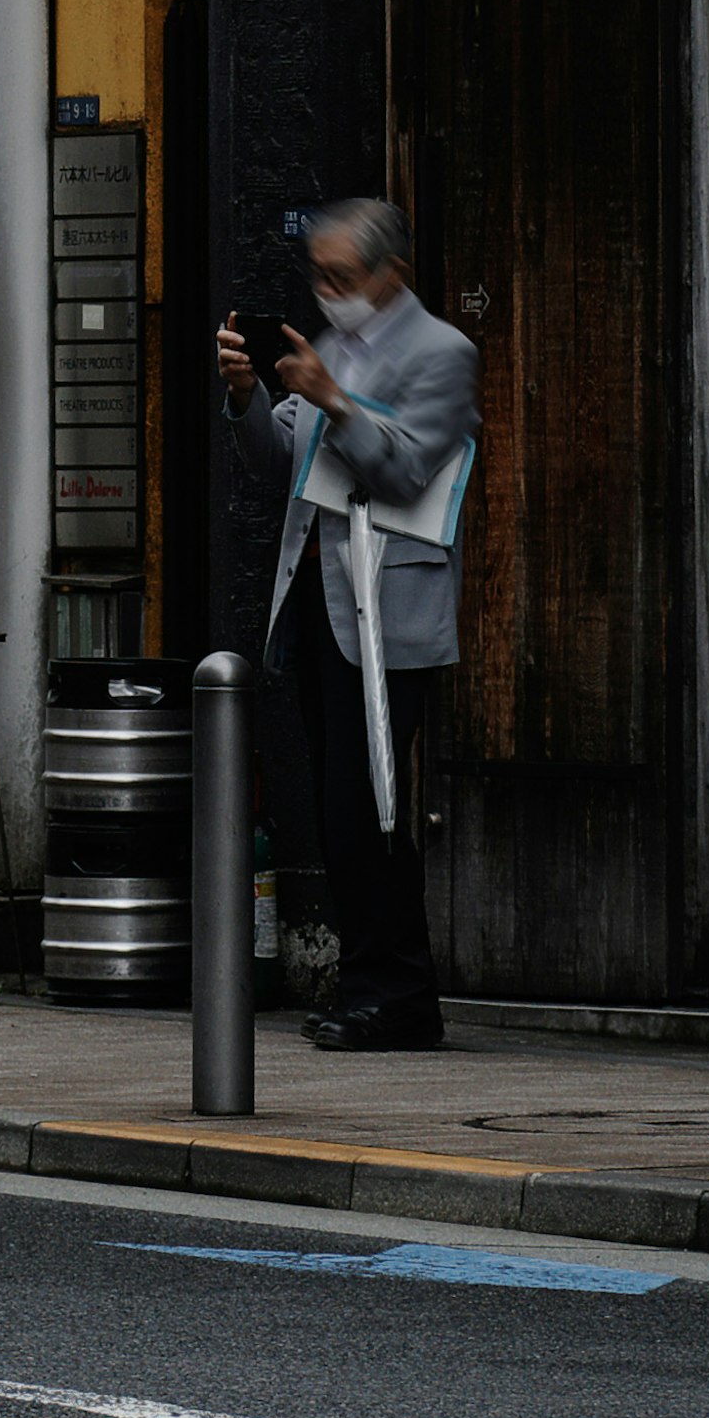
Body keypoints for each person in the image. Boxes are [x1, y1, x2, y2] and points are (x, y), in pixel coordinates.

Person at [218, 198, 477, 1054]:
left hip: (387, 607)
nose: (327, 293)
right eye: (317, 276)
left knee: (371, 802)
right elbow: (275, 467)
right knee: (342, 809)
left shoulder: (442, 352)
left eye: (342, 277)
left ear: (390, 273)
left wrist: (333, 400)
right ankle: (380, 988)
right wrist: (249, 396)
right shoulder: (329, 347)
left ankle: (397, 993)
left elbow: (406, 472)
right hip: (319, 601)